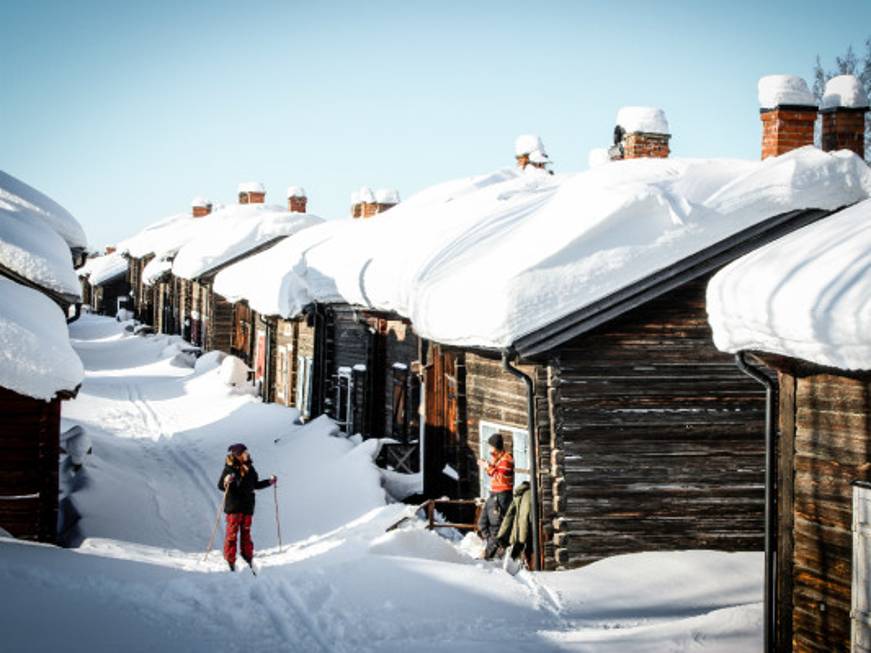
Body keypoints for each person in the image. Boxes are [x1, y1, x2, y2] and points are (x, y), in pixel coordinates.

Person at [217, 443, 276, 571]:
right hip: (234, 507)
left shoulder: (250, 468)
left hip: (248, 506)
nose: (247, 454)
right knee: (232, 534)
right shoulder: (229, 469)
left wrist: (269, 482)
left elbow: (255, 485)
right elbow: (221, 486)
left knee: (246, 532)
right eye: (244, 452)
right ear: (238, 455)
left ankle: (247, 554)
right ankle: (230, 558)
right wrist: (226, 480)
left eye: (247, 452)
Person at [476, 433, 515, 560]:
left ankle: (489, 554)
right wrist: (486, 465)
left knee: (495, 525)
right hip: (494, 494)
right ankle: (494, 545)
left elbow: (500, 477)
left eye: (490, 446)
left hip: (502, 495)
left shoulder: (506, 459)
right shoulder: (498, 458)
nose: (489, 449)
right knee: (482, 522)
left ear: (495, 446)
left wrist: (488, 467)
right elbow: (494, 473)